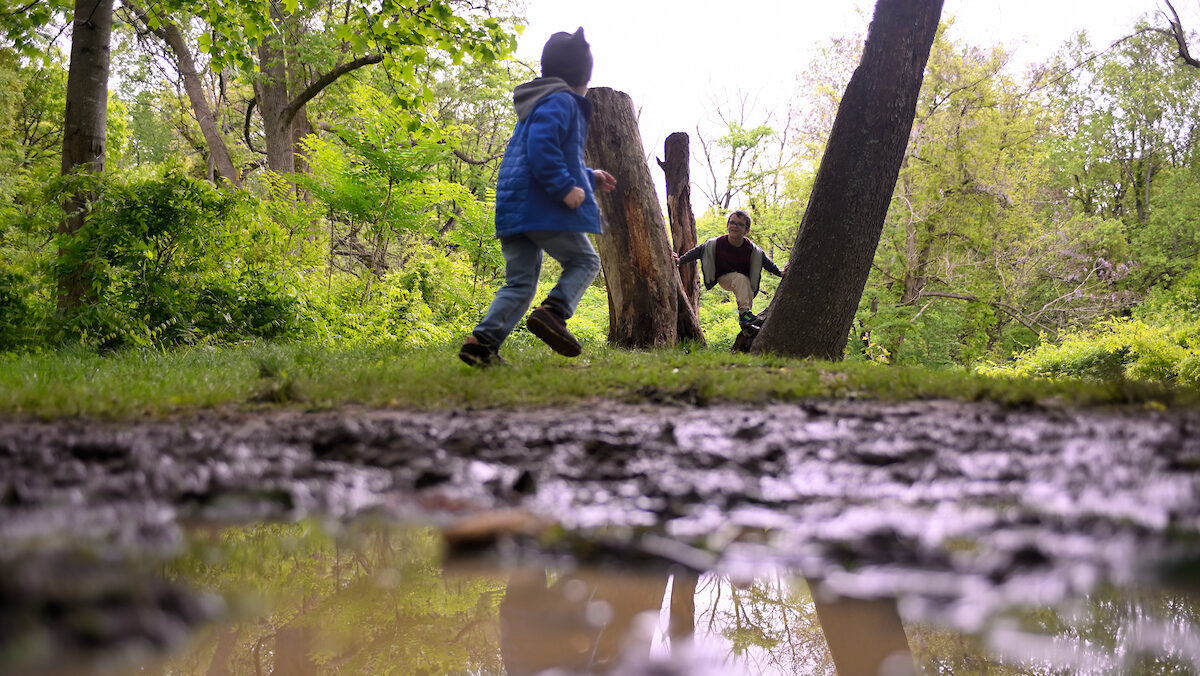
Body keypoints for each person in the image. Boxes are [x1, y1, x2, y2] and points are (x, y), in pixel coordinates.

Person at [459, 27, 617, 367]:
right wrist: (564, 188)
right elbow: (543, 149)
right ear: (580, 77)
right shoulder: (562, 100)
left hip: (516, 209)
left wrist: (589, 177)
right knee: (585, 261)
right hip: (540, 207)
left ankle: (481, 344)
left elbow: (542, 155)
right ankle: (554, 312)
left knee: (519, 283)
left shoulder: (537, 104)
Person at [674, 210, 784, 328]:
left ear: (747, 230)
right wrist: (680, 260)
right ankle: (745, 315)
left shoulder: (752, 249)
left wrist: (780, 273)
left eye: (740, 224)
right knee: (740, 279)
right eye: (732, 223)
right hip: (724, 277)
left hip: (744, 282)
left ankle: (747, 326)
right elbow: (696, 252)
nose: (735, 226)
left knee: (746, 287)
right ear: (727, 226)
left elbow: (767, 263)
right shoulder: (715, 244)